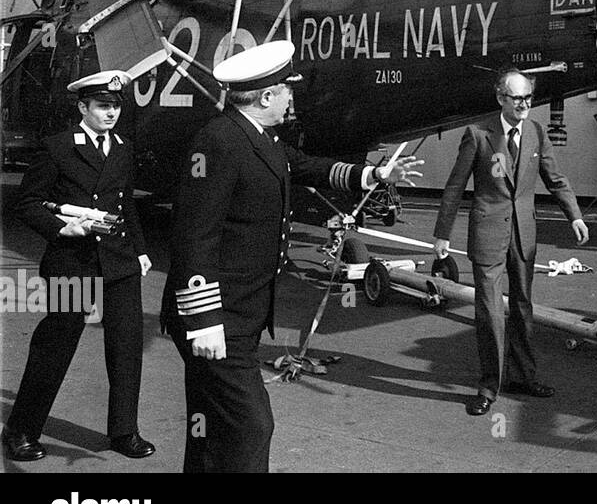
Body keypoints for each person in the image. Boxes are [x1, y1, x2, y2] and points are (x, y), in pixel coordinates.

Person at [161, 41, 421, 472]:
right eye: (285, 90)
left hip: (242, 312)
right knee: (251, 426)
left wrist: (374, 174)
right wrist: (203, 319)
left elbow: (303, 166)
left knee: (207, 424)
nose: (290, 97)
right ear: (265, 97)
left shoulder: (257, 136)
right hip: (217, 316)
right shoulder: (218, 142)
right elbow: (193, 235)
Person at [3, 70, 154, 462]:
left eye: (116, 107)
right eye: (103, 106)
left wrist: (139, 249)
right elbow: (26, 204)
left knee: (126, 349)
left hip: (118, 261)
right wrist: (62, 228)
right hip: (73, 261)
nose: (111, 114)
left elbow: (126, 202)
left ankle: (125, 431)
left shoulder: (122, 147)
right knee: (55, 347)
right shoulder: (57, 148)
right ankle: (20, 430)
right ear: (83, 107)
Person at [432, 68, 589, 416]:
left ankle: (521, 376)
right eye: (517, 98)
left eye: (528, 98)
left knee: (522, 308)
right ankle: (489, 386)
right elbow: (455, 187)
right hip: (488, 233)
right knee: (489, 311)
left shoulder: (534, 131)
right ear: (501, 98)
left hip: (524, 234)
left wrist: (574, 215)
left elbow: (555, 178)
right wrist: (442, 233)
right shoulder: (477, 134)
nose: (524, 104)